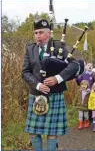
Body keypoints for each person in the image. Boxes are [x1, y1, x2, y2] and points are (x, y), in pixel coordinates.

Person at [22, 19, 80, 151]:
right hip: (36, 95)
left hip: (54, 94)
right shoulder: (30, 49)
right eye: (35, 33)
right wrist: (37, 85)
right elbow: (25, 72)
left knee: (52, 132)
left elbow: (74, 64)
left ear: (48, 33)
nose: (38, 35)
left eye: (41, 32)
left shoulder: (58, 46)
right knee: (33, 131)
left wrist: (57, 78)